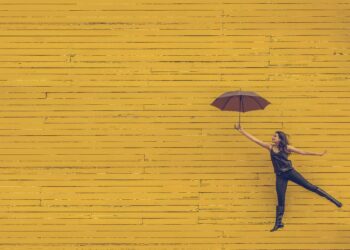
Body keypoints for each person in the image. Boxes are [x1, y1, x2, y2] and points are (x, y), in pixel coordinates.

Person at [234, 123, 343, 232]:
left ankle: (334, 201)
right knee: (280, 199)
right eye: (273, 136)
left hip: (290, 172)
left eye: (275, 136)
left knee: (310, 187)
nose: (272, 137)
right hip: (280, 176)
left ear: (280, 139)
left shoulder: (287, 148)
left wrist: (318, 154)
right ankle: (278, 223)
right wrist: (241, 130)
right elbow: (256, 140)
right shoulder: (270, 147)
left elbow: (303, 152)